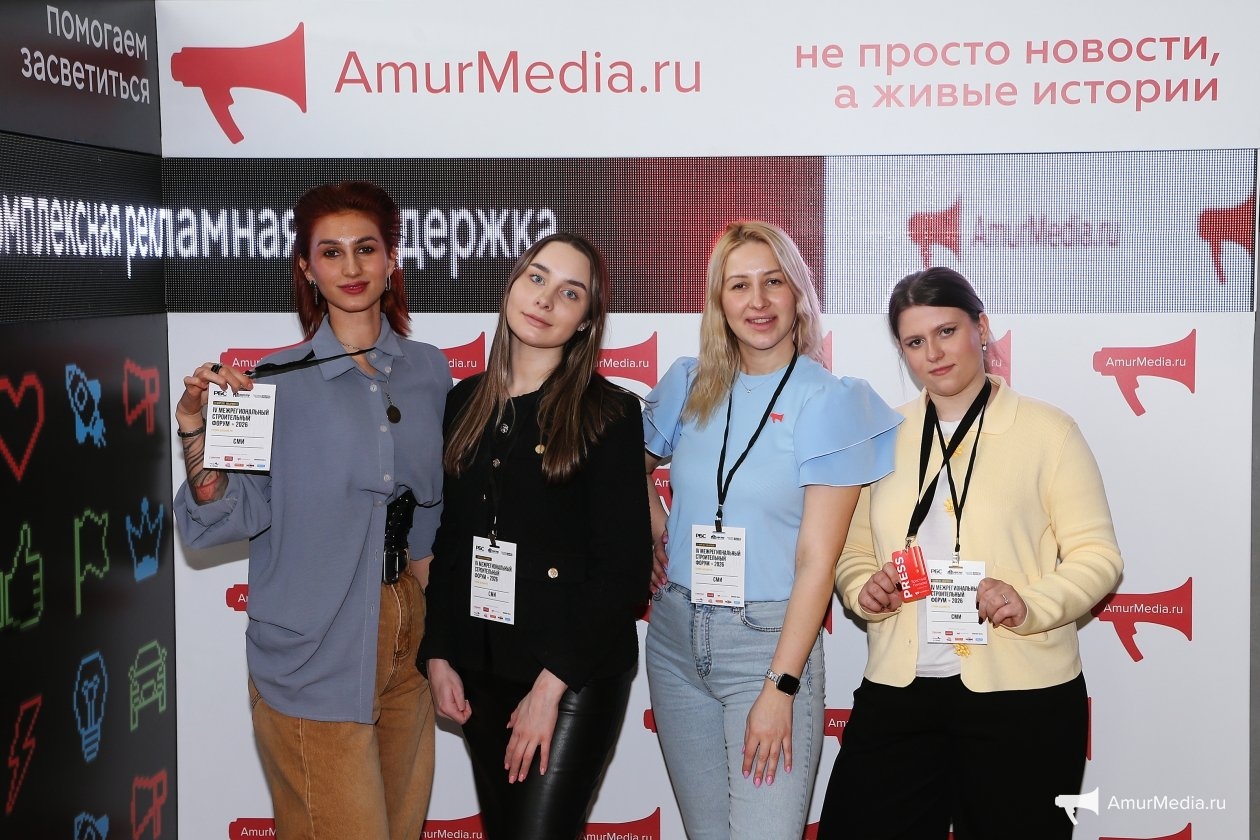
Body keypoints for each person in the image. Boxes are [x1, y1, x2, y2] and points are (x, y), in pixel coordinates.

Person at [173, 181, 450, 840]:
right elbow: (224, 512)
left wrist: (444, 644)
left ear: (392, 260)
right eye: (331, 252)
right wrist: (194, 429)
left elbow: (433, 518)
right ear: (306, 268)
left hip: (409, 641)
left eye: (366, 248)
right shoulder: (267, 382)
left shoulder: (430, 372)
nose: (351, 267)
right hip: (314, 649)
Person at [817, 267, 1124, 840]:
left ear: (981, 329)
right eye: (915, 341)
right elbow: (852, 550)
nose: (933, 353)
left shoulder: (1049, 431)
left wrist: (1029, 603)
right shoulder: (882, 434)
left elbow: (1097, 555)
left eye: (947, 331)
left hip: (1024, 696)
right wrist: (864, 588)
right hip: (900, 691)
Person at [642, 220, 901, 840]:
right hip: (674, 639)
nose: (757, 302)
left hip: (766, 645)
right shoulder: (687, 382)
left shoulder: (829, 400)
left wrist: (781, 686)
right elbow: (631, 465)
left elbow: (817, 561)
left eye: (773, 282)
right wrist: (659, 532)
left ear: (798, 294)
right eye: (739, 285)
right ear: (719, 300)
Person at [418, 232, 651, 840]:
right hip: (480, 667)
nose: (546, 299)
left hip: (572, 674)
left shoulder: (609, 413)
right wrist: (438, 651)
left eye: (570, 293)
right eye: (537, 278)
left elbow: (624, 571)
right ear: (513, 287)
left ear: (585, 321)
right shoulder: (464, 402)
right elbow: (452, 541)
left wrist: (550, 688)